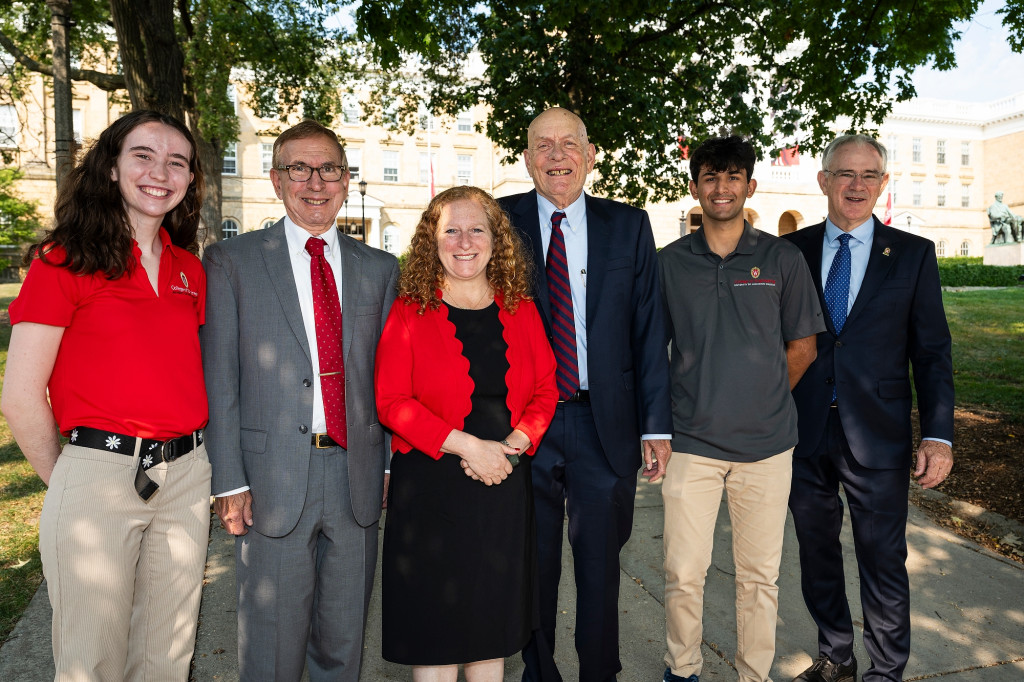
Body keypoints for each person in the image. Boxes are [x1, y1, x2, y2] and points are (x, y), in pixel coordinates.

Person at [1, 109, 209, 681]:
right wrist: (74, 481)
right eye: (142, 155)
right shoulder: (62, 261)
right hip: (97, 469)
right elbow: (20, 397)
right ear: (112, 167)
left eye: (177, 162)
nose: (159, 172)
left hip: (187, 473)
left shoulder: (191, 269)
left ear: (190, 180)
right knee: (90, 659)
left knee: (168, 653)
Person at [201, 120, 399, 682]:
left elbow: (387, 379)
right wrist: (229, 480)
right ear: (276, 178)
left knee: (342, 642)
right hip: (269, 479)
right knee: (272, 649)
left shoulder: (380, 269)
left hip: (355, 477)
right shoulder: (233, 261)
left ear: (345, 178)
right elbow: (221, 376)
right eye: (299, 168)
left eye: (329, 168)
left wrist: (387, 461)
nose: (316, 181)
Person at [498, 107, 673, 682]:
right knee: (534, 564)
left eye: (568, 143)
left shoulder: (629, 225)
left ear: (589, 154)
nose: (556, 155)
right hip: (526, 429)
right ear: (526, 159)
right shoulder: (498, 223)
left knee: (600, 568)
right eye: (542, 145)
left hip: (607, 424)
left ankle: (601, 672)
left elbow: (650, 330)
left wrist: (656, 425)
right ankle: (539, 673)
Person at [782, 134, 954, 682]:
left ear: (882, 184)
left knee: (883, 559)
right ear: (824, 180)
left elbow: (931, 352)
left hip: (876, 435)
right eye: (845, 174)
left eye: (868, 175)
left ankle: (886, 671)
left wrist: (938, 435)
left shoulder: (913, 254)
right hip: (804, 430)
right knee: (816, 553)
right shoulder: (792, 252)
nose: (856, 186)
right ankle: (837, 656)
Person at [657, 136, 824, 682]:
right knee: (683, 571)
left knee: (759, 576)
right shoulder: (669, 264)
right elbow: (653, 350)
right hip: (692, 443)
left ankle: (753, 674)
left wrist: (763, 392)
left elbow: (802, 346)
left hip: (767, 446)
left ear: (750, 186)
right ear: (695, 186)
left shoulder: (783, 257)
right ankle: (682, 670)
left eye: (732, 177)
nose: (721, 187)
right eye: (710, 176)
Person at [374, 185, 557, 681]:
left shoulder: (520, 308)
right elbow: (391, 401)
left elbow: (545, 390)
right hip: (431, 492)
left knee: (489, 632)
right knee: (435, 638)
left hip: (501, 487)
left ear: (496, 239)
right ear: (431, 241)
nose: (463, 241)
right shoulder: (410, 310)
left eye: (476, 229)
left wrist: (510, 451)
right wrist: (470, 447)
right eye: (450, 230)